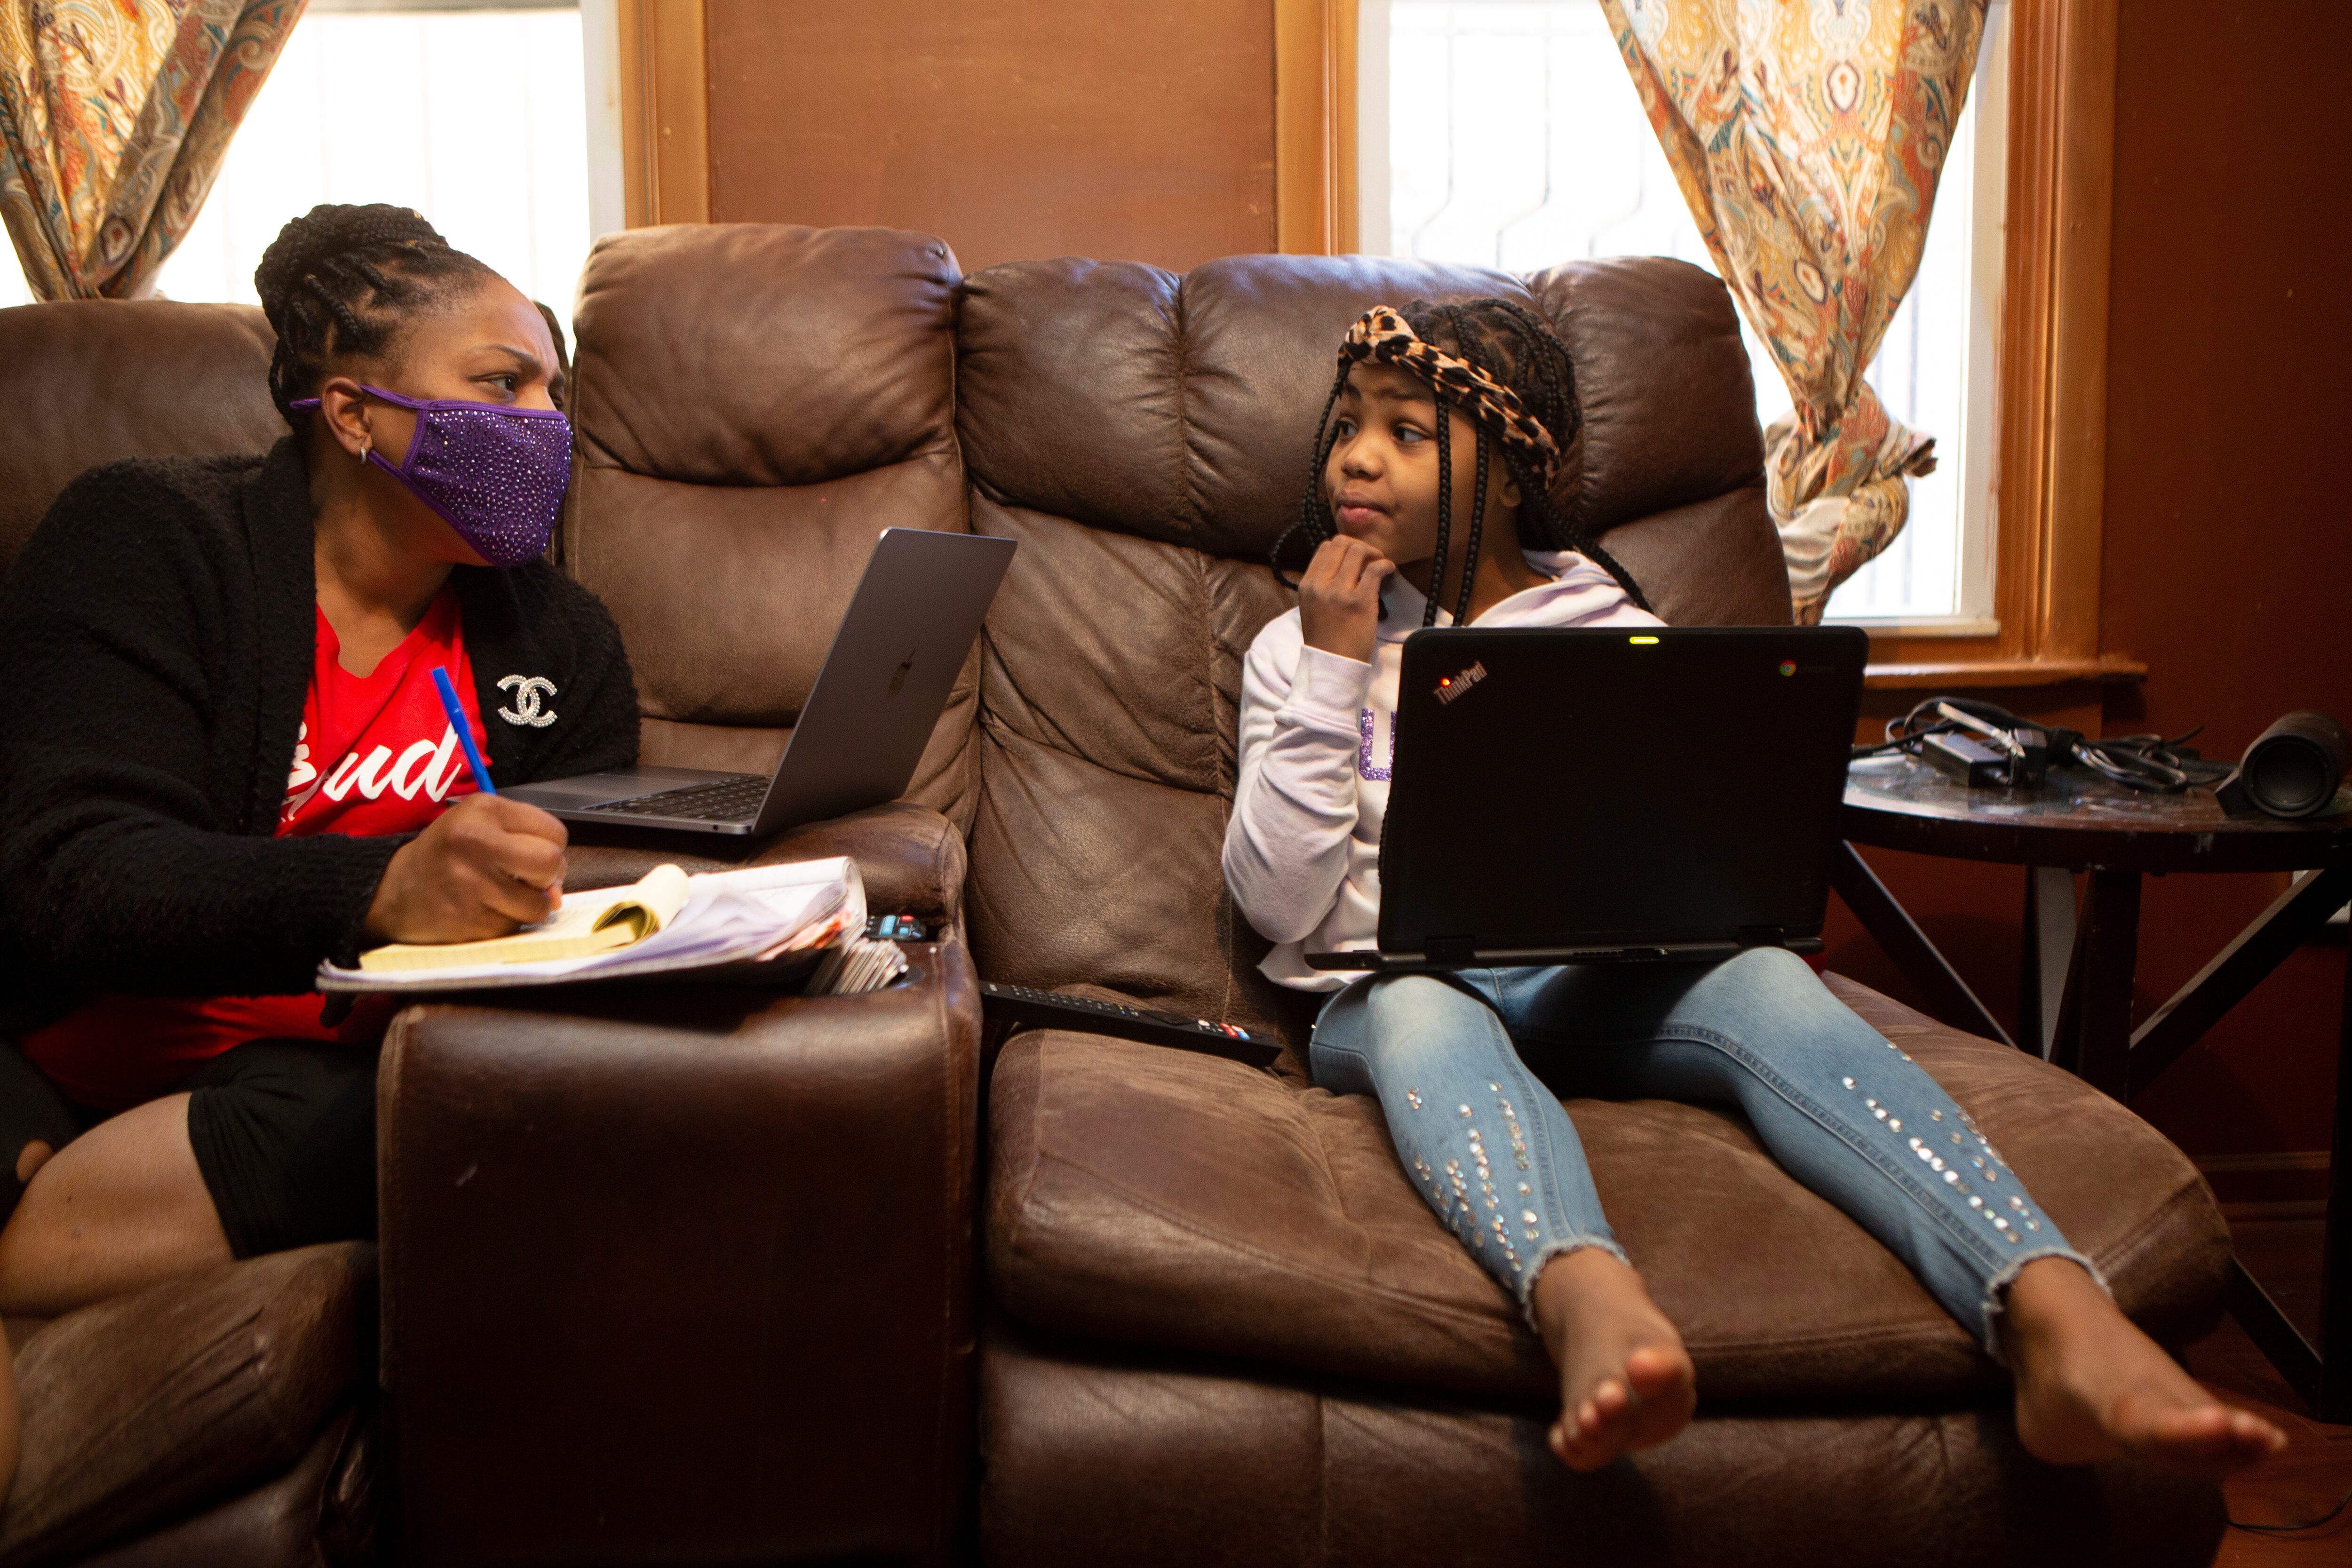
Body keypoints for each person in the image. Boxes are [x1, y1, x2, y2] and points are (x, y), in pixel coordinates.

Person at [1223, 298, 2285, 1475]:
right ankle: (1584, 1299)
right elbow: (1276, 901)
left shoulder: (1613, 627)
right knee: (1425, 1005)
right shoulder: (1294, 648)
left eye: (1407, 431)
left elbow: (1681, 846)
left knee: (1766, 979)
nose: (1357, 457)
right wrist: (1334, 664)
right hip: (1384, 991)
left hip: (1584, 986)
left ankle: (2050, 1310)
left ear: (1512, 475)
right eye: (1347, 425)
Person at [0, 205, 638, 1349]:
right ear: (353, 414)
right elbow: (73, 868)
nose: (548, 424)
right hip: (86, 1042)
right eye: (503, 384)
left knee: (472, 1104)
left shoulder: (560, 638)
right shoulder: (150, 537)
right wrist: (379, 890)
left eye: (556, 389)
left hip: (333, 1075)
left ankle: (62, 1228)